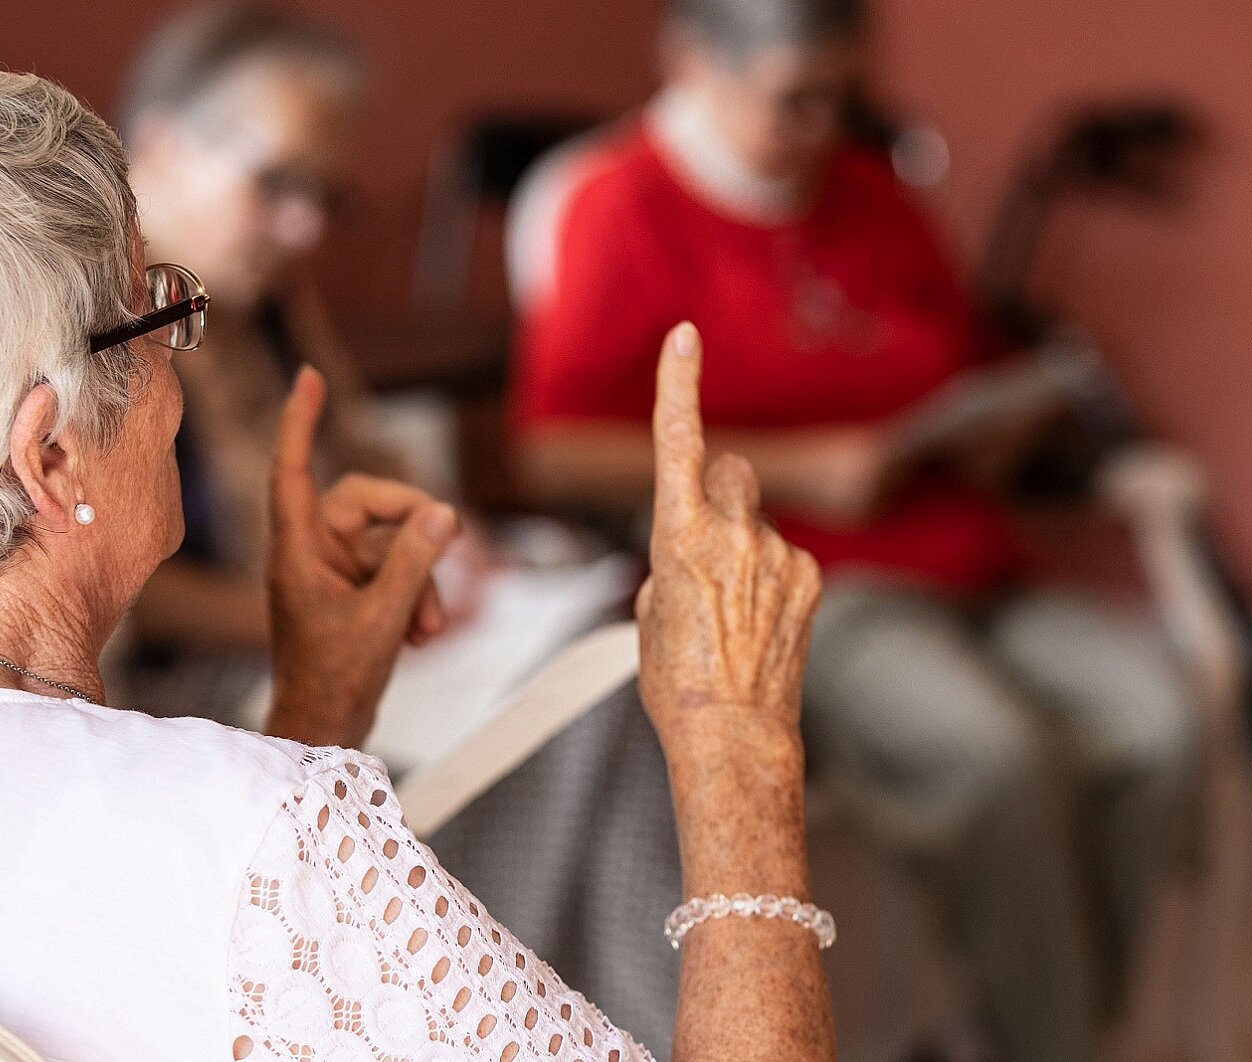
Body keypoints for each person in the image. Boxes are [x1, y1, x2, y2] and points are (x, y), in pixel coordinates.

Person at [0, 60, 835, 1060]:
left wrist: (315, 709)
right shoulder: (260, 841)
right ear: (50, 457)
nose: (181, 363)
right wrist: (736, 754)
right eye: (155, 309)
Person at [510, 1, 1196, 1059]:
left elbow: (955, 358)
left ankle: (1046, 1023)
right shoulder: (616, 207)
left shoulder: (873, 196)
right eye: (795, 99)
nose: (824, 125)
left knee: (1159, 722)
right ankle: (1051, 1038)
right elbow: (555, 449)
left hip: (966, 555)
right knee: (990, 758)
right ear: (693, 63)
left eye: (843, 97)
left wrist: (989, 429)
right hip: (811, 582)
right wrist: (803, 468)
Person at [115, 4, 411, 715]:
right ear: (161, 145)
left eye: (324, 195)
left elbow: (355, 449)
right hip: (177, 699)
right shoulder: (100, 310)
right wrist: (316, 623)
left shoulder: (261, 290)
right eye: (275, 183)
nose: (306, 228)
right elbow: (119, 582)